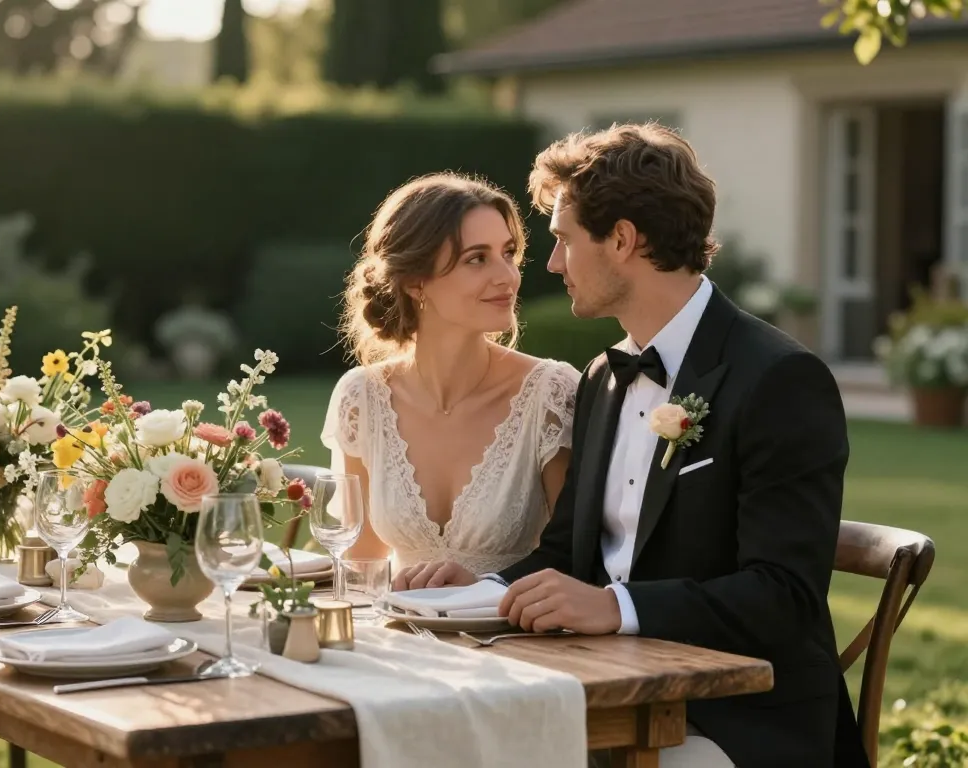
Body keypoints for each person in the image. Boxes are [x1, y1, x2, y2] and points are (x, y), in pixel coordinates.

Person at [392, 125, 870, 768]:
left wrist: (615, 606)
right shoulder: (602, 377)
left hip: (737, 721)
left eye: (562, 239)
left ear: (621, 239)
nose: (552, 262)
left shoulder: (779, 379)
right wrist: (479, 586)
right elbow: (567, 553)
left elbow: (783, 595)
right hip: (602, 693)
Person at [321, 172, 581, 577]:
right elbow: (362, 568)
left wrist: (483, 589)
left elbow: (577, 562)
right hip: (402, 633)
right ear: (414, 281)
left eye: (508, 253)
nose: (507, 276)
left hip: (517, 636)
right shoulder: (362, 397)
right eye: (477, 259)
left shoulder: (550, 394)